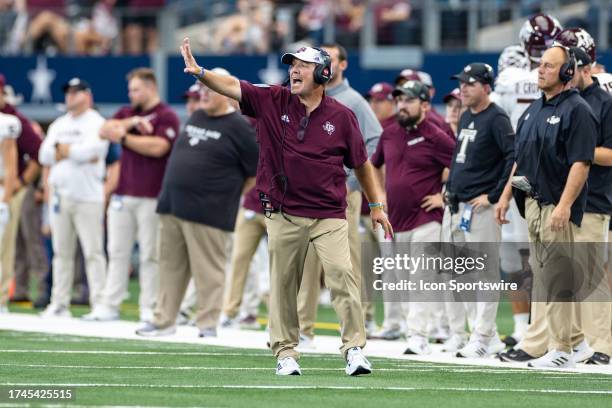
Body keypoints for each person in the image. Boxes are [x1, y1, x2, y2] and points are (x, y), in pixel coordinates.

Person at [180, 39, 392, 376]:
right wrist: (200, 73)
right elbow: (235, 87)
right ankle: (285, 352)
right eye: (291, 65)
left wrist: (376, 205)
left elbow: (362, 164)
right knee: (283, 284)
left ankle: (354, 348)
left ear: (323, 73)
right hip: (283, 212)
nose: (293, 70)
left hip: (329, 212)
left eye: (303, 66)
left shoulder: (343, 115)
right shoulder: (271, 99)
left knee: (342, 276)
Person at [136, 67, 259, 338]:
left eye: (208, 89)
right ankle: (164, 320)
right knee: (169, 267)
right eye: (201, 89)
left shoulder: (240, 126)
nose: (202, 94)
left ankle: (207, 324)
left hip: (210, 211)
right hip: (173, 206)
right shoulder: (198, 116)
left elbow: (255, 172)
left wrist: (225, 194)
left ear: (225, 92)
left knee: (209, 272)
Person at [496, 46, 598, 368]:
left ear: (568, 73)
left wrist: (565, 205)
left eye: (550, 66)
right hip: (534, 207)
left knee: (557, 281)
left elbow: (581, 163)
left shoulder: (577, 110)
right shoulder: (532, 111)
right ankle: (576, 344)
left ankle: (560, 349)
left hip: (556, 207)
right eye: (541, 65)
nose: (541, 70)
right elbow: (521, 162)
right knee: (544, 280)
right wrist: (506, 196)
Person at [297, 42, 383, 346]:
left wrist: (352, 181)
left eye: (330, 59)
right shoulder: (305, 97)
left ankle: (360, 324)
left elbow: (374, 141)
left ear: (342, 65)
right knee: (307, 263)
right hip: (307, 196)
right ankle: (303, 330)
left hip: (342, 194)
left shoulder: (353, 101)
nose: (324, 65)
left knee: (346, 264)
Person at [83, 68, 180, 322]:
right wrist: (133, 124)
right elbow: (105, 130)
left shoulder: (166, 115)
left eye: (136, 89)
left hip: (151, 195)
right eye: (130, 89)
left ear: (151, 88)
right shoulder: (127, 113)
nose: (131, 94)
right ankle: (109, 304)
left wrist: (124, 137)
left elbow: (159, 147)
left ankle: (149, 306)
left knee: (150, 254)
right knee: (116, 251)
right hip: (123, 194)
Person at [371, 79, 455, 355]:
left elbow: (461, 166)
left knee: (421, 277)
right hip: (395, 219)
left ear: (425, 105)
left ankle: (418, 336)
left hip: (426, 218)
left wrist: (444, 196)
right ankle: (416, 331)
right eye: (399, 100)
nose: (402, 105)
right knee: (403, 280)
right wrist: (378, 197)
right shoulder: (390, 133)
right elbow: (372, 166)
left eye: (408, 100)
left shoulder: (436, 134)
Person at [443, 62, 515, 357]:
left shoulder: (497, 117)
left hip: (479, 207)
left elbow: (514, 156)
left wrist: (495, 195)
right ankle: (486, 336)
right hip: (458, 204)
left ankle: (482, 337)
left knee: (484, 274)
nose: (463, 88)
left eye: (470, 83)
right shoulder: (466, 115)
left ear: (486, 87)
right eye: (462, 83)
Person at [38, 78, 109, 318]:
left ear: (87, 96)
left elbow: (92, 151)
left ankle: (100, 302)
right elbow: (44, 154)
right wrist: (70, 151)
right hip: (61, 194)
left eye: (76, 92)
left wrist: (65, 150)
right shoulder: (59, 123)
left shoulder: (97, 122)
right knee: (61, 252)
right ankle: (59, 303)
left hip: (88, 195)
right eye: (68, 91)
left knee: (93, 251)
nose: (70, 96)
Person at [0, 73, 42, 313]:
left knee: (7, 246)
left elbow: (38, 152)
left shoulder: (13, 120)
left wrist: (18, 184)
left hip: (7, 187)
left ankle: (2, 297)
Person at [0, 112, 19, 313]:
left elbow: (10, 167)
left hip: (0, 190)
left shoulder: (6, 123)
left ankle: (1, 300)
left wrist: (5, 200)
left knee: (1, 251)